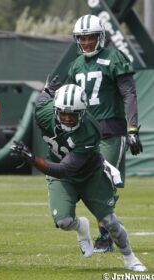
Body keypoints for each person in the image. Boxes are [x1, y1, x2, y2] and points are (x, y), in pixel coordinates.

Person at [10, 81, 147, 272]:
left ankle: (130, 258)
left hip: (90, 174)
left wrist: (32, 159)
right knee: (63, 222)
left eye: (72, 114)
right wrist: (47, 89)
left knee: (110, 222)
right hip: (60, 172)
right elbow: (43, 98)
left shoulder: (90, 130)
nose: (66, 118)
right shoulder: (43, 113)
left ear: (82, 113)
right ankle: (81, 228)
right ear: (55, 110)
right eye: (63, 113)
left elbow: (64, 170)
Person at [67, 14, 142, 253]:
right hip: (85, 133)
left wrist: (132, 129)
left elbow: (129, 94)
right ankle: (105, 232)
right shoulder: (76, 65)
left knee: (104, 181)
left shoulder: (115, 57)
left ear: (101, 37)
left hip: (111, 130)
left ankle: (105, 236)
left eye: (90, 37)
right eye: (82, 38)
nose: (87, 43)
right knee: (87, 182)